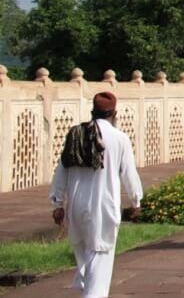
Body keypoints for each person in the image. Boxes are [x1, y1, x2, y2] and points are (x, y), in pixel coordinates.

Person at [50, 92, 142, 298]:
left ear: (93, 111)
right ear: (114, 113)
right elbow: (129, 173)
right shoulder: (119, 138)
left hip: (76, 207)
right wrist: (135, 200)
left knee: (85, 256)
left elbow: (61, 169)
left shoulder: (75, 134)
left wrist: (57, 203)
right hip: (103, 206)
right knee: (100, 258)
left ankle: (87, 290)